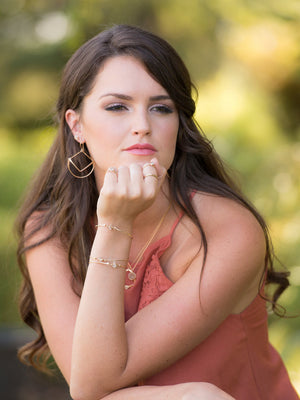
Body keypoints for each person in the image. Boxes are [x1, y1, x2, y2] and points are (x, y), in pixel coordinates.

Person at [16, 24, 298, 400]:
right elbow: (90, 385)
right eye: (117, 107)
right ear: (77, 124)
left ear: (178, 125)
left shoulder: (227, 230)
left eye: (161, 108)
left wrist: (116, 224)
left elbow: (93, 386)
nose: (142, 127)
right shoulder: (50, 231)